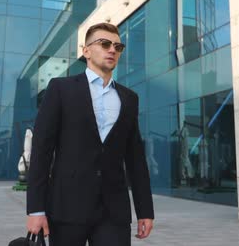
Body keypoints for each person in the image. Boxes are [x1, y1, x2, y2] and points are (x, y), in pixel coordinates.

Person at [26, 23, 154, 246]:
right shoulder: (60, 89)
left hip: (114, 212)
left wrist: (145, 210)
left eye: (118, 46)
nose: (112, 49)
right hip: (67, 208)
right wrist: (36, 209)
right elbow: (41, 151)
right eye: (104, 44)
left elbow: (135, 158)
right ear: (86, 51)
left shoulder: (129, 98)